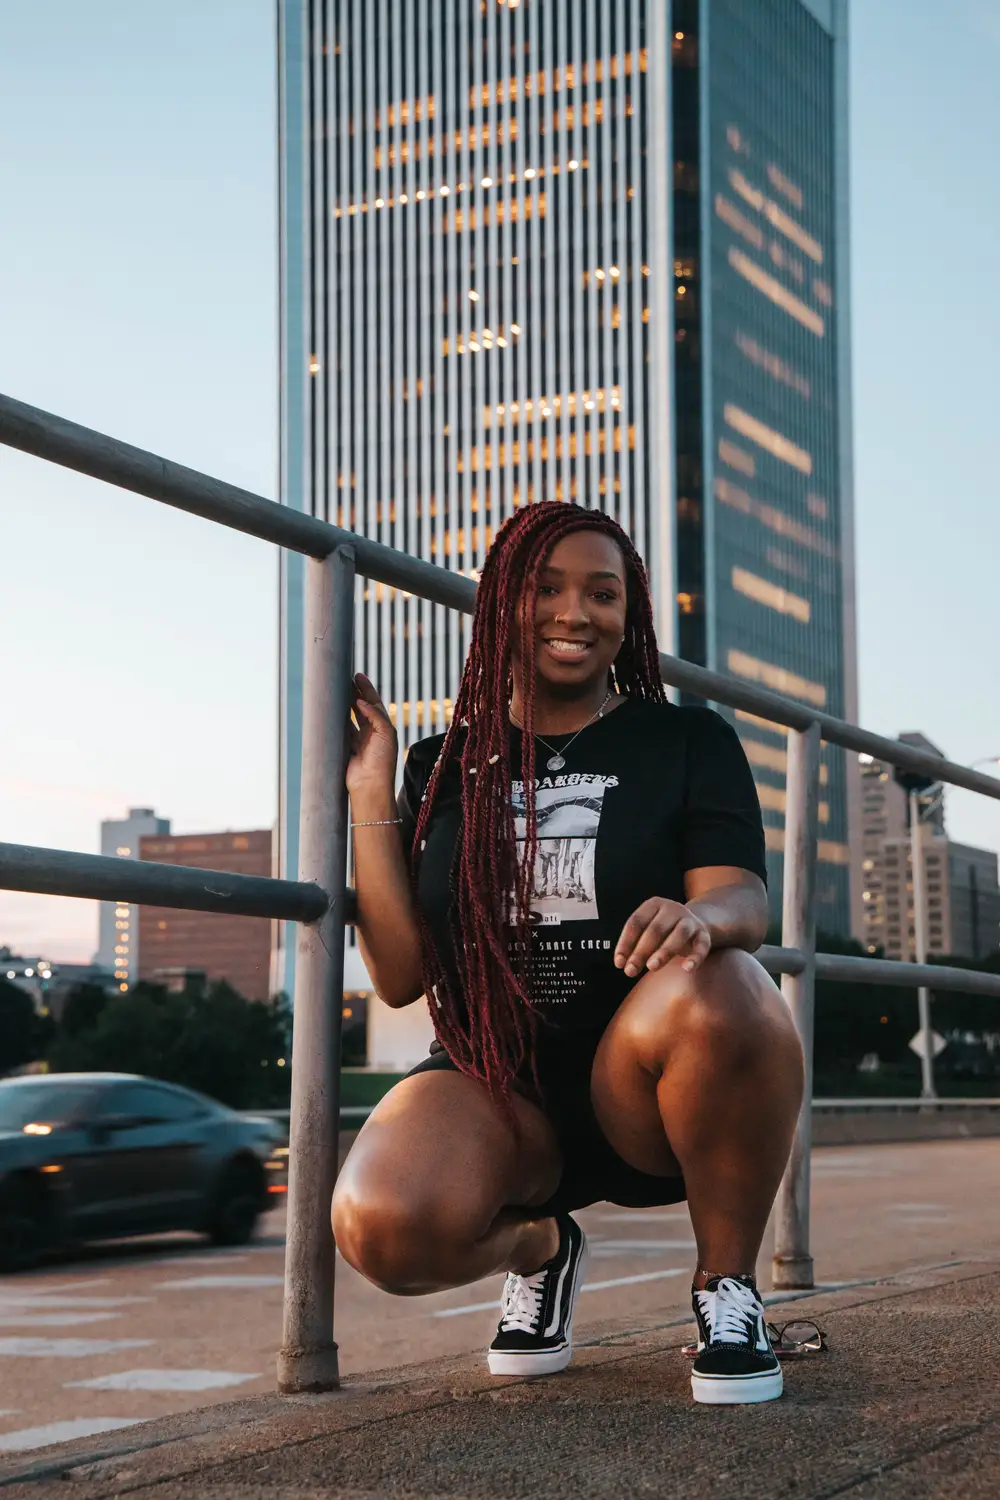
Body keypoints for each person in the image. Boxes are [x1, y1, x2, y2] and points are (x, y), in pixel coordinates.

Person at [334, 501, 804, 1405]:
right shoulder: (441, 763)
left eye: (603, 592)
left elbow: (743, 896)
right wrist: (371, 787)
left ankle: (726, 1288)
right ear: (502, 602)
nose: (574, 613)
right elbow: (397, 978)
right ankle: (543, 1247)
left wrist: (702, 920)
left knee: (732, 982)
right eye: (546, 588)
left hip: (641, 1083)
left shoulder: (685, 740)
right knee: (380, 1227)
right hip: (494, 1085)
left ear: (630, 616)